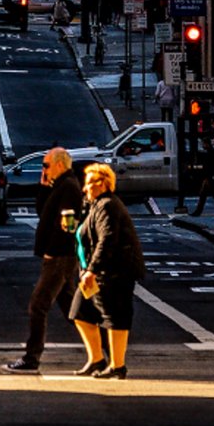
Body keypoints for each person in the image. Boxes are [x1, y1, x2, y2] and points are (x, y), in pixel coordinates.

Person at [4, 148, 83, 373]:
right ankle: (104, 349)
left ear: (60, 164)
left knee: (38, 305)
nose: (43, 169)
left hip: (59, 257)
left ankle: (31, 358)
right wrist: (44, 184)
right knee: (72, 310)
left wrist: (53, 251)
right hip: (59, 257)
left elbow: (68, 224)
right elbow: (42, 211)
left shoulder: (68, 187)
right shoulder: (59, 185)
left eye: (46, 165)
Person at [69, 162, 146, 379]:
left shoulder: (108, 206)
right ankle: (96, 360)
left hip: (113, 273)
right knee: (81, 312)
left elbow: (107, 240)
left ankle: (117, 365)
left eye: (89, 184)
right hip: (95, 275)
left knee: (115, 316)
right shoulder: (95, 204)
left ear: (102, 184)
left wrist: (92, 270)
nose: (85, 188)